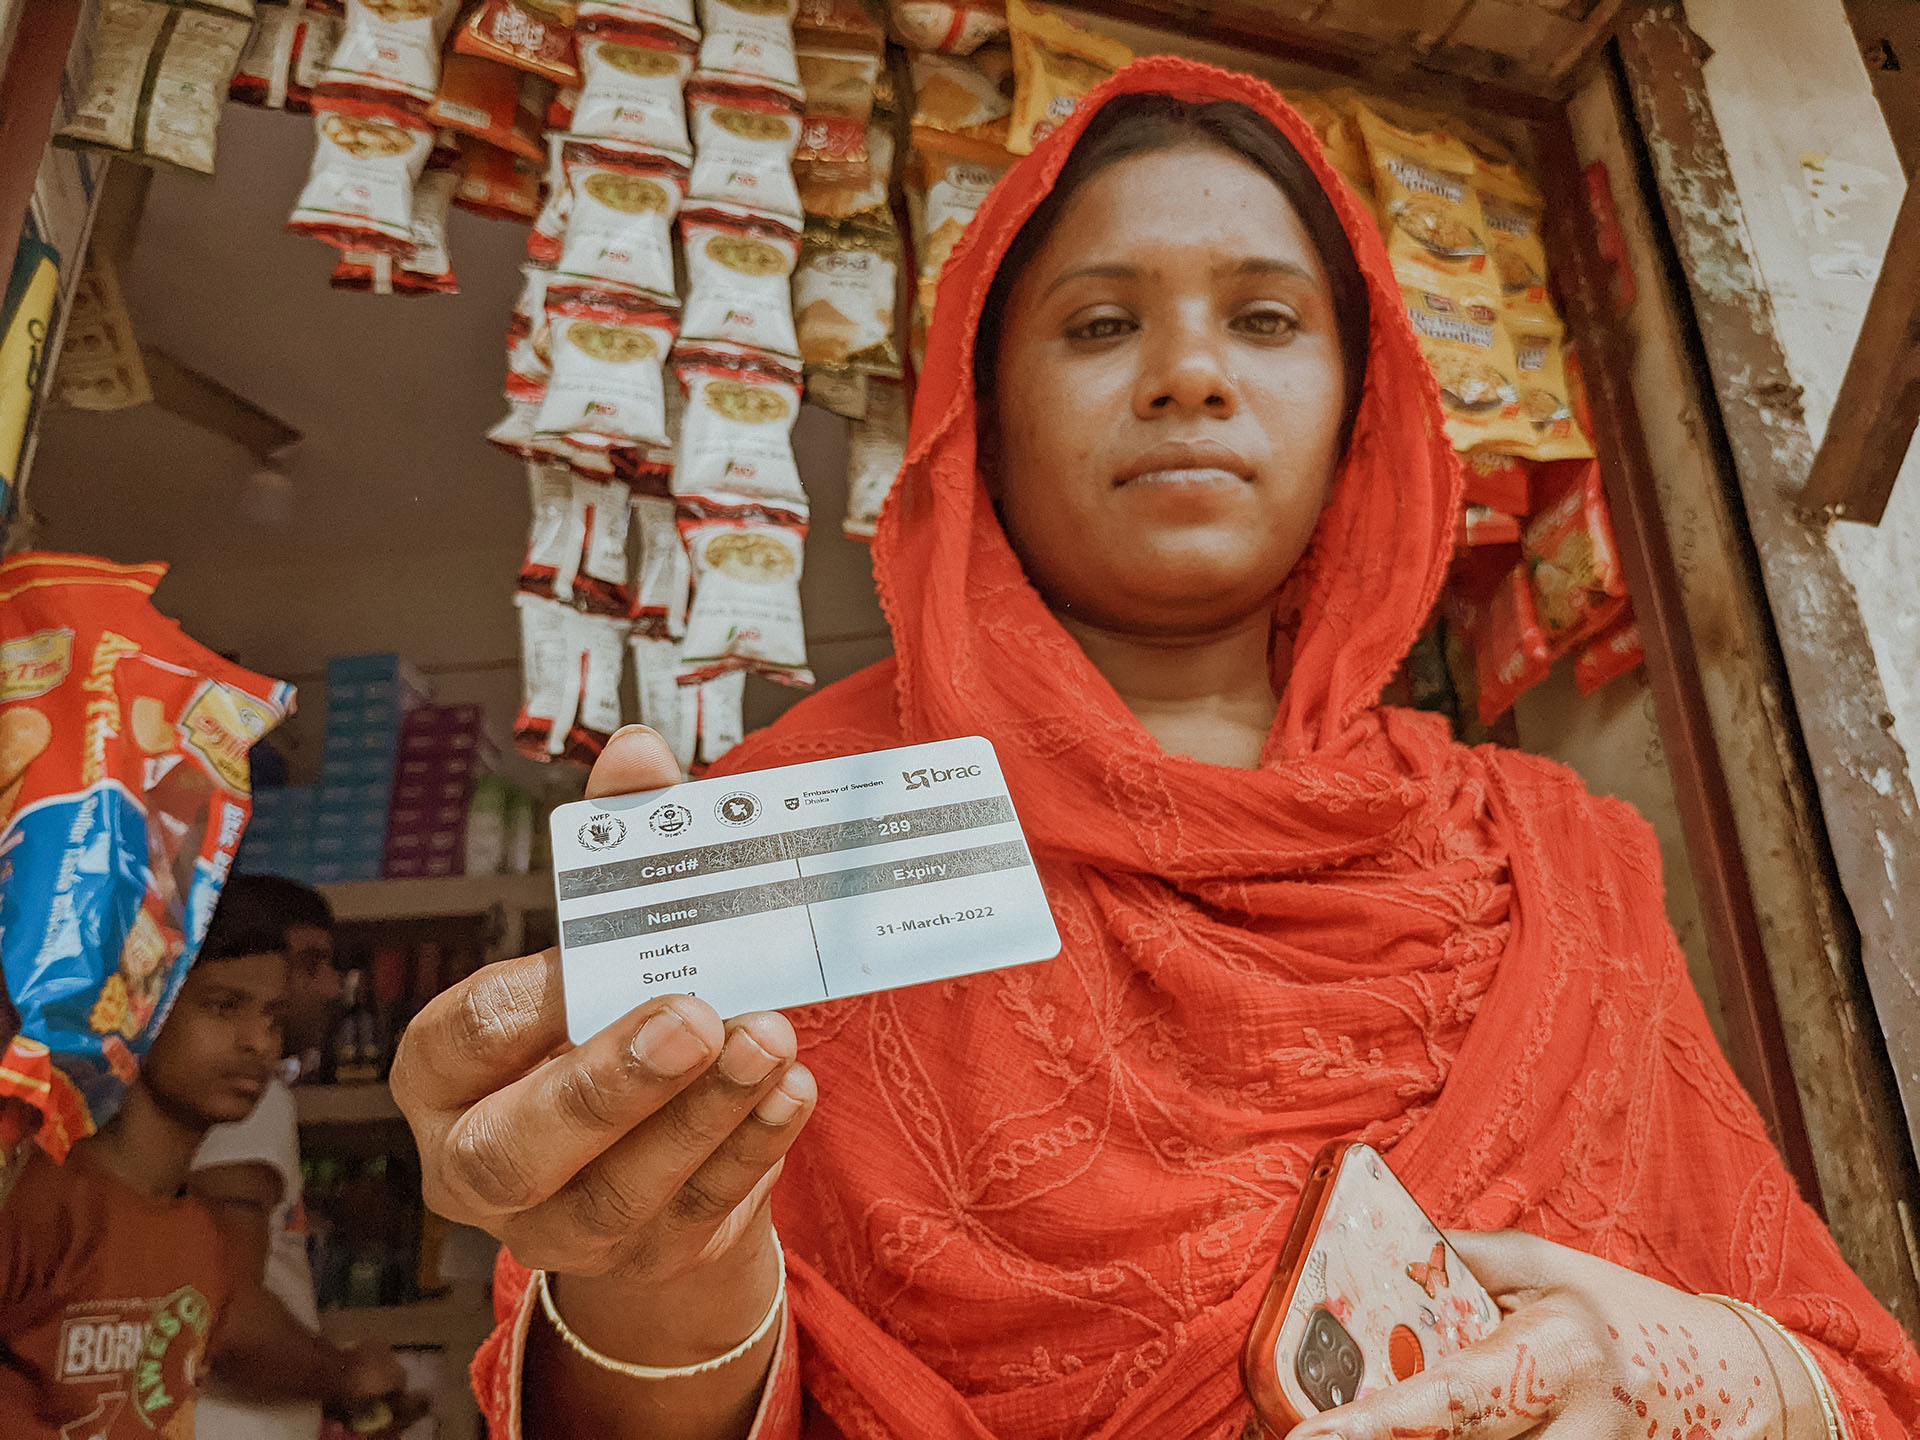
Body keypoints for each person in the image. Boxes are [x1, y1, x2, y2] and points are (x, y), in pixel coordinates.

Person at [390, 59, 1920, 1440]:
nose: (1190, 374)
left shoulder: (1549, 852)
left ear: (1359, 409)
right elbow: (637, 1366)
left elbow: (1843, 1384)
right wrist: (661, 1271)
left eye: (1265, 319)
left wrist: (1664, 1370)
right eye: (1102, 322)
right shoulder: (793, 839)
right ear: (978, 416)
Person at [0, 881, 407, 1437]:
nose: (258, 1044)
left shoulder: (201, 1241)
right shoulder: (36, 1201)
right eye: (223, 1006)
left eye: (273, 1017)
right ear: (146, 1009)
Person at [188, 874, 343, 1440]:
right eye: (310, 963)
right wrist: (348, 1377)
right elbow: (229, 1323)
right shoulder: (247, 1096)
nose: (332, 987)